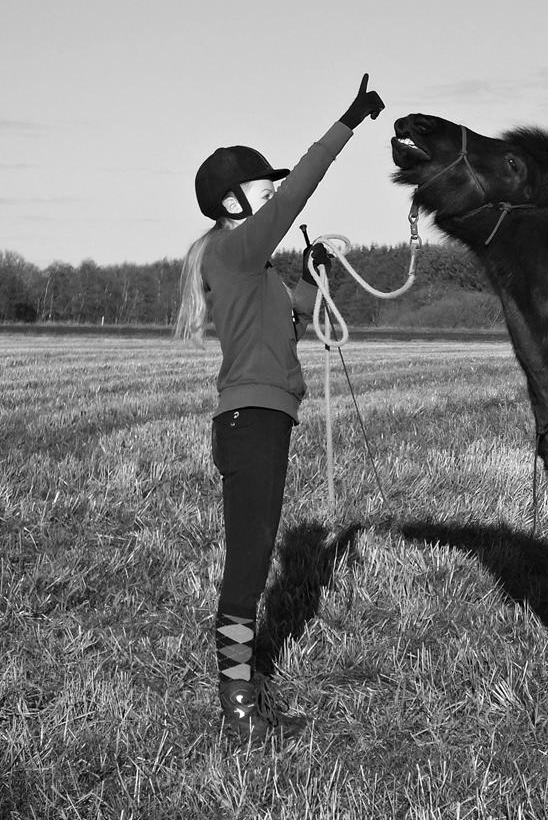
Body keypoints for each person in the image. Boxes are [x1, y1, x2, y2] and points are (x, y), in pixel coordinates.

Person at [174, 74, 384, 742]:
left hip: (265, 422)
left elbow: (319, 316)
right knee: (247, 570)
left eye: (269, 189)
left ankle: (244, 696)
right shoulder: (234, 249)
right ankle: (237, 709)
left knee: (255, 561)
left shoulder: (259, 270)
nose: (274, 196)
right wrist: (347, 123)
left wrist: (314, 273)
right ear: (234, 201)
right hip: (250, 423)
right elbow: (300, 189)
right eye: (262, 190)